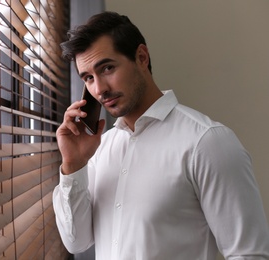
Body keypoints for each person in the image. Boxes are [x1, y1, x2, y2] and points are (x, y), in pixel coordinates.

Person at [52, 11, 269, 259]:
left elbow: (249, 253)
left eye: (108, 68)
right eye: (89, 78)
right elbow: (76, 242)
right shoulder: (100, 149)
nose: (99, 89)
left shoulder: (207, 142)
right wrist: (73, 165)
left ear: (141, 57)